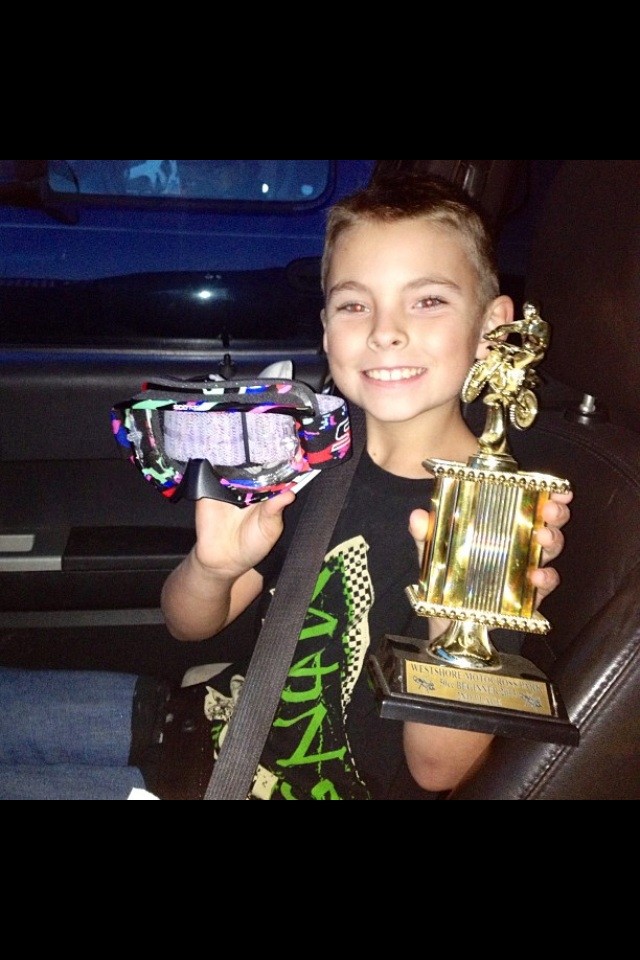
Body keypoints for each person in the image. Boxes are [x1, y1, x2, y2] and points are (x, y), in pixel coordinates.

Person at [0, 173, 572, 800]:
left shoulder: (497, 520)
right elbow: (188, 624)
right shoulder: (310, 451)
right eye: (354, 305)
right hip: (204, 726)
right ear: (326, 328)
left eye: (428, 300)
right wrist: (213, 568)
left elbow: (439, 771)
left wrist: (455, 618)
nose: (385, 331)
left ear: (493, 325)